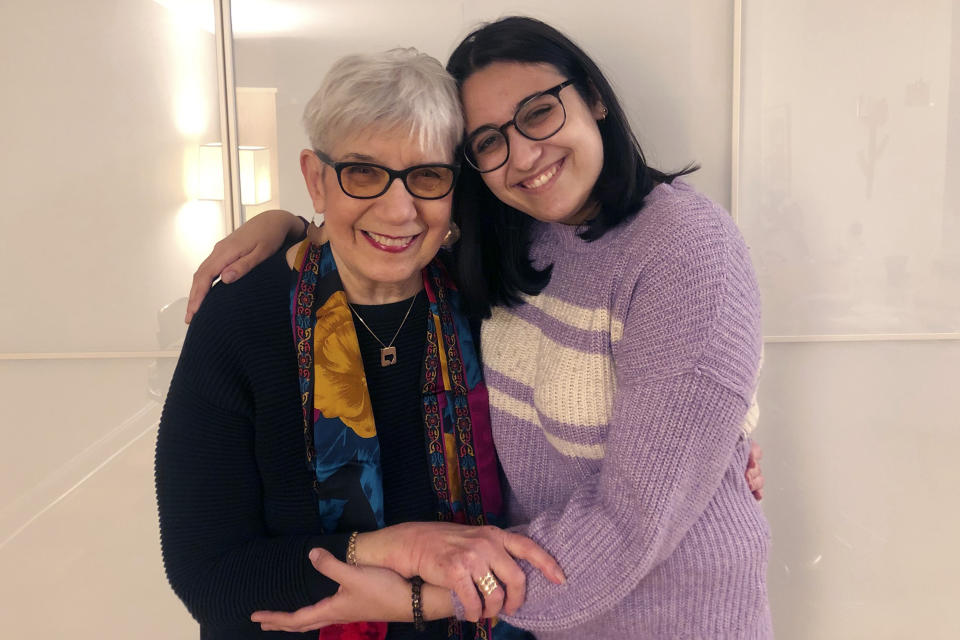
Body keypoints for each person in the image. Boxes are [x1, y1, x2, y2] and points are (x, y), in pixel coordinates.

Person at [190, 17, 771, 639]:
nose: (523, 154)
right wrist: (291, 224)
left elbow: (635, 515)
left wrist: (423, 597)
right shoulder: (505, 251)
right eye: (490, 141)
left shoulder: (665, 251)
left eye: (540, 112)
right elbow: (209, 571)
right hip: (541, 618)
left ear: (593, 98)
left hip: (666, 617)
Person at [155, 47, 565, 640]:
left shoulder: (491, 299)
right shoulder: (241, 318)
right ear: (316, 179)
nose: (399, 211)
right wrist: (393, 548)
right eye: (364, 173)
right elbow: (210, 576)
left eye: (426, 176)